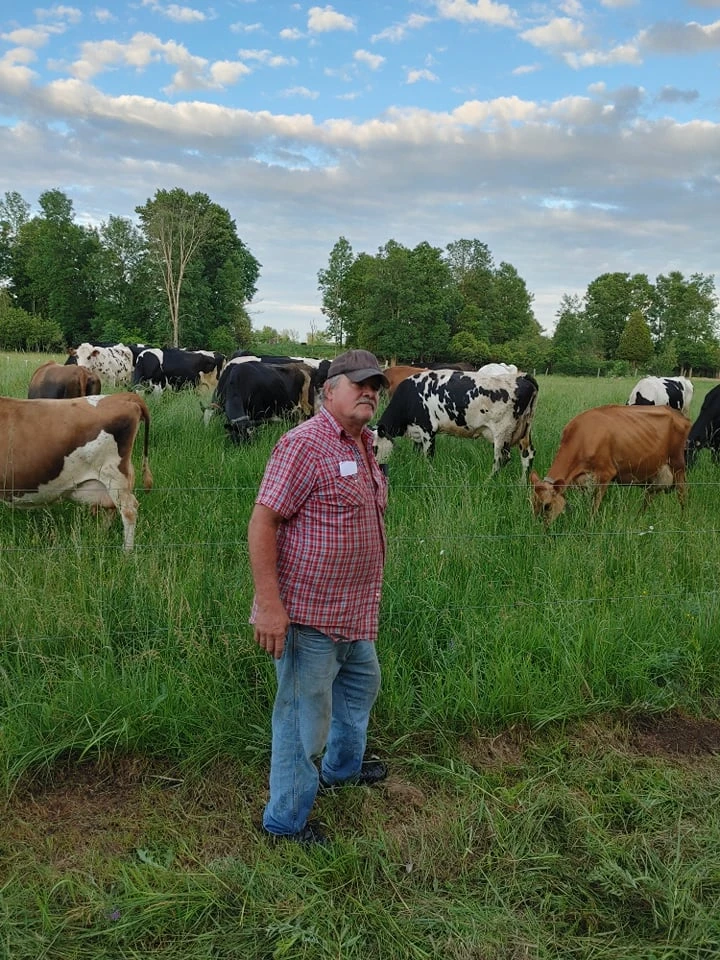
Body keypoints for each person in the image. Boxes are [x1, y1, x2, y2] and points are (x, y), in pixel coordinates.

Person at [248, 349, 390, 846]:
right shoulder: (303, 444)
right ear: (329, 391)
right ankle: (285, 822)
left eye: (375, 385)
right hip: (308, 616)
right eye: (359, 384)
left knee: (358, 692)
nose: (370, 391)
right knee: (302, 718)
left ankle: (341, 770)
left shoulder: (366, 445)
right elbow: (263, 521)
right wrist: (269, 605)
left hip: (355, 612)